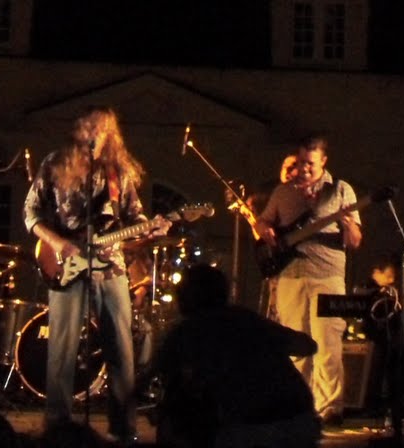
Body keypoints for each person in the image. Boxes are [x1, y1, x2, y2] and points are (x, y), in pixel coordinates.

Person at [24, 107, 164, 443]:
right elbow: (30, 212)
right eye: (88, 128)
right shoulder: (55, 163)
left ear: (110, 134)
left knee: (121, 351)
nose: (93, 134)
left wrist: (152, 228)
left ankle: (123, 429)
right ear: (79, 132)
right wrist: (58, 242)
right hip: (66, 266)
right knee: (62, 352)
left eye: (100, 130)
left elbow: (133, 218)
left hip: (111, 267)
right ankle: (57, 428)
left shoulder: (121, 172)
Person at [155, 263, 319, 448]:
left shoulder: (187, 330)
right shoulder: (248, 318)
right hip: (299, 420)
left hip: (248, 429)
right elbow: (307, 346)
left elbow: (155, 371)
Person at [256, 136, 361, 424]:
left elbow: (354, 242)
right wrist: (265, 229)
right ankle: (300, 406)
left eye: (310, 164)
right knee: (296, 345)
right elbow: (263, 220)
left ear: (324, 162)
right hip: (290, 274)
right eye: (301, 162)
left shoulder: (340, 190)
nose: (303, 169)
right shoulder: (283, 191)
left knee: (327, 345)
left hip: (327, 276)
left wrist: (347, 223)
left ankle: (330, 409)